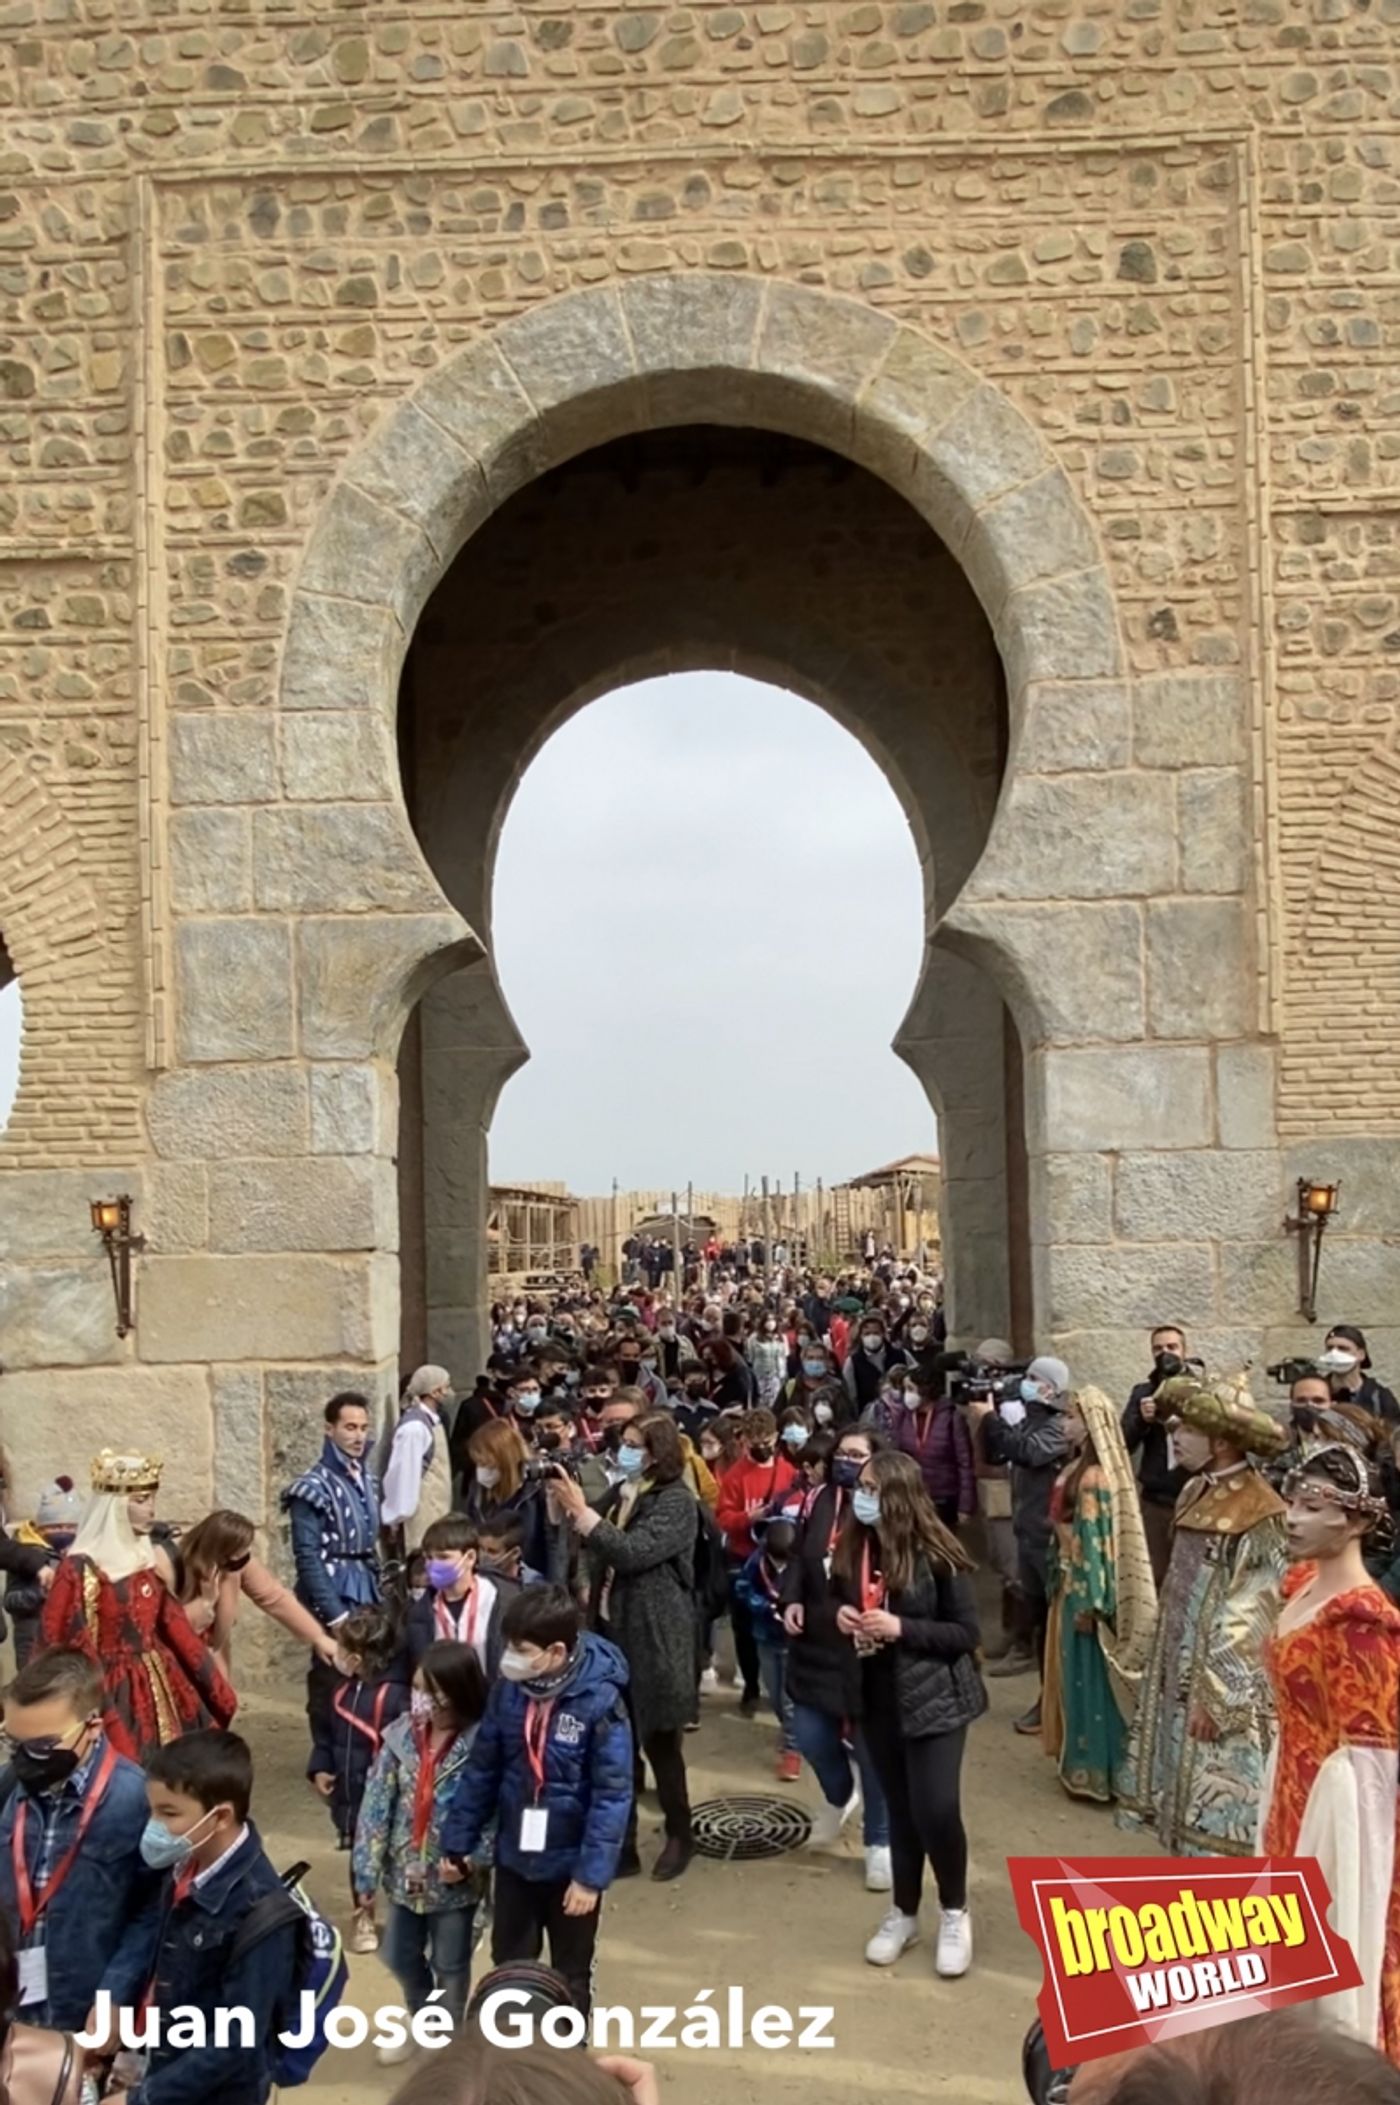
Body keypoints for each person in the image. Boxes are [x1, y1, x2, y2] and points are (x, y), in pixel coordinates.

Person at [1260, 1443, 1400, 2064]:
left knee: (1329, 1947)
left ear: (1359, 1522)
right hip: (1290, 1787)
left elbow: (1375, 1770)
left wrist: (1343, 1863)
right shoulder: (1302, 1584)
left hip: (1335, 1814)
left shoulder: (1362, 1623)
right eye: (1293, 1500)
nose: (1293, 1516)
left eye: (1314, 1505)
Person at [1117, 1371, 1288, 1857]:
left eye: (1186, 1429)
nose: (1175, 1436)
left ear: (1220, 1441)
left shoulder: (1261, 1510)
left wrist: (1218, 1698)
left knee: (1217, 1801)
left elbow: (1252, 1611)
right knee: (1178, 1786)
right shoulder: (1194, 1492)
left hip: (1219, 1683)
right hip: (1177, 1664)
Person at [442, 1585, 633, 2018]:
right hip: (515, 1860)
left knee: (570, 1974)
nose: (511, 1656)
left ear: (556, 1651)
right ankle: (507, 2058)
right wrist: (458, 1841)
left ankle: (567, 2062)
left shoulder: (600, 1703)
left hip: (570, 1872)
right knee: (509, 1968)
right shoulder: (509, 1691)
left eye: (521, 1648)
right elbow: (483, 1769)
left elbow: (612, 1795)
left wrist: (590, 1878)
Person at [832, 1450, 985, 1977]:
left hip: (937, 1698)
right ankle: (904, 1912)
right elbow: (837, 1594)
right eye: (861, 1485)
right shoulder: (855, 1545)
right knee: (900, 1811)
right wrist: (843, 1615)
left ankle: (955, 1911)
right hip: (876, 1697)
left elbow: (966, 1634)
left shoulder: (938, 1553)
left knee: (935, 1808)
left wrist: (902, 1630)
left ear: (898, 1495)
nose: (861, 1495)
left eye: (872, 1487)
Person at [117, 1729, 301, 2105]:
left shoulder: (260, 1909)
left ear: (220, 1817)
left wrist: (144, 2098)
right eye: (152, 1811)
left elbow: (238, 2041)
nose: (154, 1827)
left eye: (168, 1813)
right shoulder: (184, 1865)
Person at [551, 1413, 698, 1881]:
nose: (626, 1451)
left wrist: (585, 1514)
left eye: (636, 1444)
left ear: (657, 1452)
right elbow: (592, 1537)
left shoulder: (677, 1502)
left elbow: (632, 1551)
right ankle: (623, 1845)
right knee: (616, 1745)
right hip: (613, 1631)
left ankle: (681, 1834)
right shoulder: (627, 1490)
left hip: (656, 1637)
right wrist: (567, 1500)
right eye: (625, 1442)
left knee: (661, 1743)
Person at [39, 1452, 235, 1765]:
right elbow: (67, 1642)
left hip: (160, 1680)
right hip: (110, 1689)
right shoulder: (81, 1569)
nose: (151, 1509)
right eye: (141, 1500)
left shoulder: (141, 1562)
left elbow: (173, 1626)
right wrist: (94, 1703)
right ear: (115, 1506)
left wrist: (213, 1685)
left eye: (151, 1499)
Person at [0, 1647, 156, 2033]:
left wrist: (115, 1997)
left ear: (92, 1727)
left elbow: (151, 1913)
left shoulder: (135, 1802)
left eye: (42, 1747)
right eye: (13, 1744)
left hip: (83, 2016)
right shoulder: (7, 1788)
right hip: (11, 2010)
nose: (24, 1760)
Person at [353, 1640, 489, 2062]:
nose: (418, 1698)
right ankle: (425, 2020)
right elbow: (375, 1808)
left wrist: (471, 1860)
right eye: (415, 1687)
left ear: (454, 1691)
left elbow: (496, 1814)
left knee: (451, 1964)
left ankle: (446, 2048)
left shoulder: (483, 1746)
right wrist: (365, 1872)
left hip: (454, 1886)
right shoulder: (399, 1738)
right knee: (397, 1953)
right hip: (404, 1877)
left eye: (427, 1690)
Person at [782, 1424, 892, 1888]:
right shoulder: (818, 1499)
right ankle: (837, 1795)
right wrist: (791, 1598)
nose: (845, 1461)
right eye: (841, 1454)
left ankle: (879, 1843)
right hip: (818, 1645)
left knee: (874, 1755)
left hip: (869, 1651)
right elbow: (799, 1559)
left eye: (857, 1455)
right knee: (811, 1736)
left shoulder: (890, 1510)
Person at [1039, 1388, 1156, 1803]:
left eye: (1072, 1416)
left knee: (1088, 1679)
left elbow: (1095, 1545)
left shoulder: (1092, 1478)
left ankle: (1100, 1770)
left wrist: (1090, 1602)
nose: (1065, 1423)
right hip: (1066, 1583)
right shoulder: (1077, 1467)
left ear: (1089, 1425)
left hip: (1082, 1590)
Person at [970, 1356, 1074, 1736]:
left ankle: (1056, 1700)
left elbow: (1026, 1451)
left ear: (1050, 1386)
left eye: (1032, 1379)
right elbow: (999, 1453)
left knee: (1052, 1625)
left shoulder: (1059, 1426)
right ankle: (1048, 1698)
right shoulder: (1033, 1417)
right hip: (1028, 1533)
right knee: (1037, 1620)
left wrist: (989, 1417)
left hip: (1049, 1538)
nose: (1025, 1384)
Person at [308, 1602, 411, 1951]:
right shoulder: (336, 1691)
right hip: (351, 1794)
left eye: (344, 1649)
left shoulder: (397, 1697)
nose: (337, 1654)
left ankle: (403, 1922)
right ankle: (363, 1915)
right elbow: (324, 1734)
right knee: (359, 1858)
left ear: (359, 1657)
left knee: (396, 1857)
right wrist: (321, 1766)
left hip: (389, 1798)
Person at [177, 1510, 338, 1682]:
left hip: (210, 1653)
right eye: (239, 1551)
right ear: (222, 1550)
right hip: (176, 1650)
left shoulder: (237, 1564)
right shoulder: (174, 1561)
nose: (243, 1556)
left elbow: (274, 1597)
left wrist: (317, 1637)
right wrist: (204, 1604)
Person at [715, 1408, 799, 1717]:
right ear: (744, 1442)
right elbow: (722, 1518)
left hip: (781, 1562)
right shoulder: (735, 1476)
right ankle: (751, 1684)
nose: (760, 1446)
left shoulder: (788, 1472)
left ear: (776, 1438)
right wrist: (747, 1518)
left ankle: (783, 1691)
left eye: (766, 1440)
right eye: (754, 1441)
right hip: (743, 1557)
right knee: (744, 1627)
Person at [1122, 1324, 1194, 1586]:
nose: (1165, 1353)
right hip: (1156, 1500)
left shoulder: (1202, 1389)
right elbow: (1123, 1443)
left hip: (1193, 1497)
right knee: (1154, 1577)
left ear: (1185, 1351)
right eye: (1158, 1348)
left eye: (1172, 1347)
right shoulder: (1143, 1391)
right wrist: (1142, 1420)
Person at [871, 1357, 976, 1533]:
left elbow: (964, 1462)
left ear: (926, 1390)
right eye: (905, 1389)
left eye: (911, 1389)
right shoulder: (904, 1416)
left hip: (944, 1498)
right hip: (913, 1496)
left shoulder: (951, 1417)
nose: (906, 1395)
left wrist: (965, 1506)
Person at [737, 1515, 800, 1781]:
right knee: (773, 1694)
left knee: (789, 1700)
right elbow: (742, 1587)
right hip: (765, 1636)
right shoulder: (757, 1561)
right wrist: (764, 1606)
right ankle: (790, 1732)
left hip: (794, 1642)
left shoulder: (803, 1563)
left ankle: (793, 1751)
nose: (780, 1565)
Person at [406, 1514, 508, 1677]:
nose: (433, 1565)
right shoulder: (420, 1612)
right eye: (429, 1558)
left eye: (443, 1557)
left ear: (470, 1558)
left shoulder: (500, 1601)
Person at [3, 1478, 83, 1671]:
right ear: (41, 1529)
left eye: (69, 1526)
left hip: (66, 1641)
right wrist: (41, 1594)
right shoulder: (25, 1557)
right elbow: (10, 1601)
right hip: (32, 1641)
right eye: (55, 1527)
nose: (63, 1532)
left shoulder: (79, 1554)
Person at [383, 1366, 456, 1552]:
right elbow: (404, 1475)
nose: (449, 1392)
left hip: (436, 1514)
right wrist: (396, 1516)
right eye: (445, 1387)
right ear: (434, 1392)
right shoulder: (414, 1428)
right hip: (420, 1517)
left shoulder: (431, 1421)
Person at [464, 1420, 546, 1574]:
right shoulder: (478, 1491)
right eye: (478, 1464)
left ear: (505, 1462)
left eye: (487, 1465)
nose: (480, 1471)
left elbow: (551, 1547)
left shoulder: (535, 1493)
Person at [1320, 1323, 1400, 1425]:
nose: (1335, 1354)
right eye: (1330, 1348)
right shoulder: (1315, 1392)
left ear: (1361, 1354)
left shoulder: (1379, 1397)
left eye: (1343, 1348)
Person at [843, 1314, 894, 1413]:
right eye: (867, 1333)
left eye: (876, 1333)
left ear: (883, 1334)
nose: (872, 1337)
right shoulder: (853, 1362)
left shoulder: (901, 1355)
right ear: (861, 1336)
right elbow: (850, 1396)